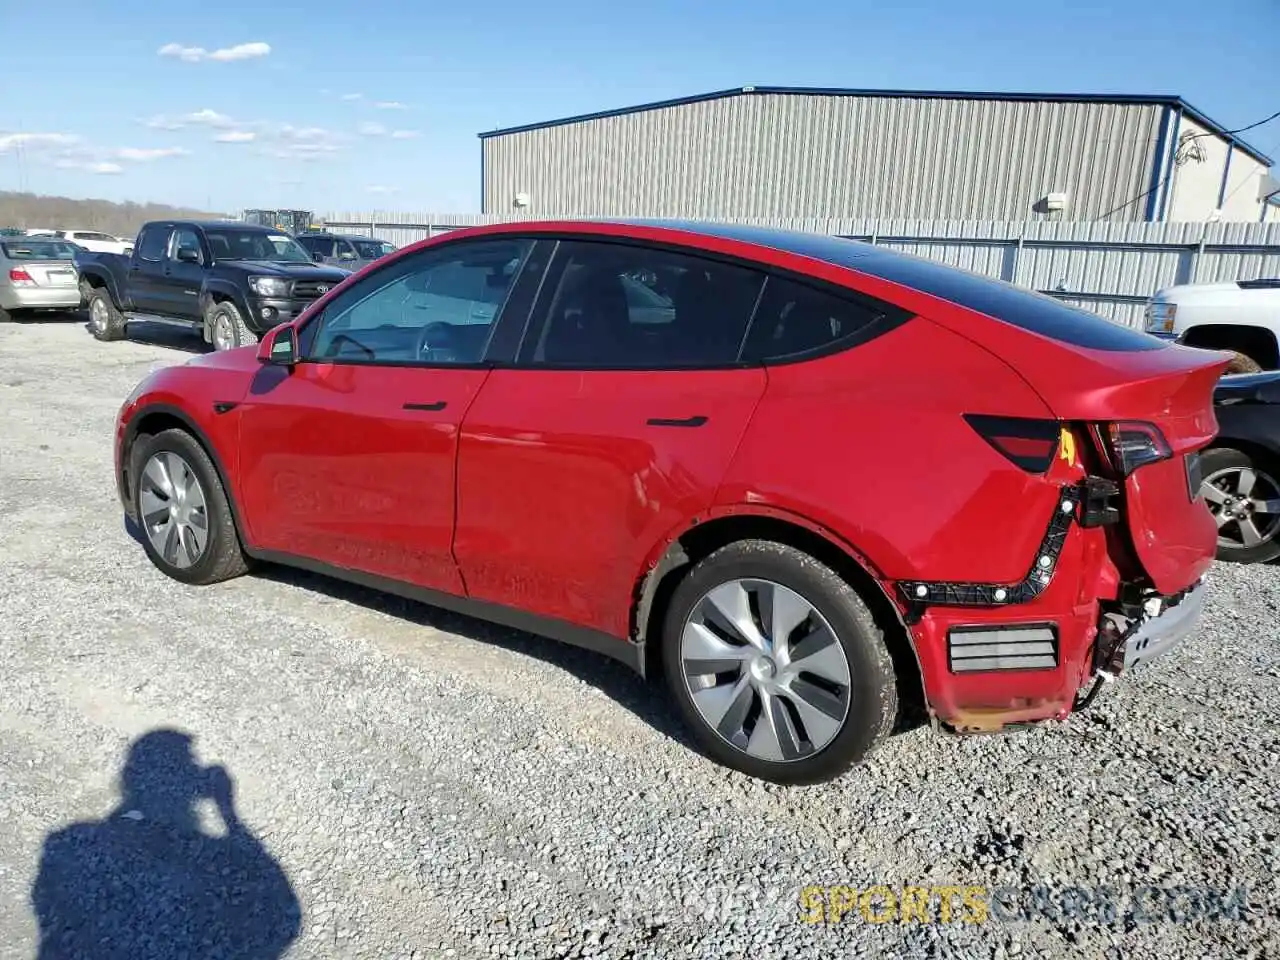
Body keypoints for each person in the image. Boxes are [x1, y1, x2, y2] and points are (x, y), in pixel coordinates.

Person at [31, 729, 301, 960]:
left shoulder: (69, 842)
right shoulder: (202, 854)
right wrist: (228, 812)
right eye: (190, 763)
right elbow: (282, 916)